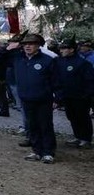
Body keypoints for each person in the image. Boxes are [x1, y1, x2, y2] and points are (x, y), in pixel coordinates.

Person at [8, 33, 58, 163]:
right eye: (25, 44)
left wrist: (57, 98)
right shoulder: (18, 59)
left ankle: (48, 152)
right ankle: (37, 151)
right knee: (32, 126)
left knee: (45, 126)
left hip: (43, 99)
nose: (28, 46)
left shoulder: (47, 60)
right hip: (26, 98)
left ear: (38, 46)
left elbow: (56, 81)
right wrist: (8, 48)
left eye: (31, 44)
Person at [52, 38, 94, 148]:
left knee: (83, 117)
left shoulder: (82, 63)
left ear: (71, 50)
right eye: (61, 48)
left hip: (80, 97)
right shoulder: (59, 61)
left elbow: (90, 81)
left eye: (64, 48)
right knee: (72, 117)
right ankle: (78, 136)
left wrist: (86, 95)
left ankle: (86, 139)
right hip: (66, 96)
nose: (61, 50)